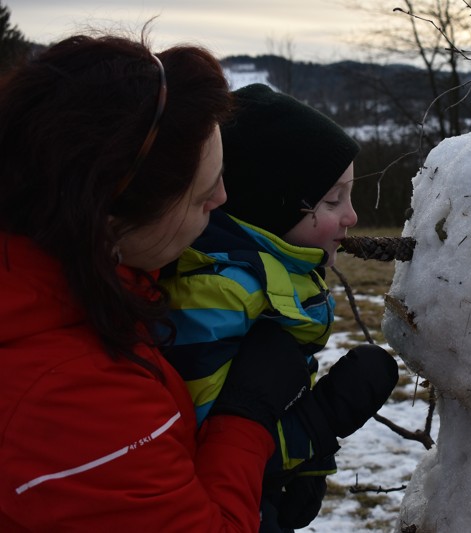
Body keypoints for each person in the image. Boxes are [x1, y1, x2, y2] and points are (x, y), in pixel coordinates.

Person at [0, 34, 313, 531]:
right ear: (106, 219)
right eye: (201, 197)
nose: (224, 200)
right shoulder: (67, 395)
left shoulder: (76, 276)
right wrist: (247, 418)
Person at [160, 83, 399, 532]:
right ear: (273, 208)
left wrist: (311, 458)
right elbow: (201, 426)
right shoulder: (220, 292)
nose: (351, 216)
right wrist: (308, 433)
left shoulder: (279, 273)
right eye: (332, 200)